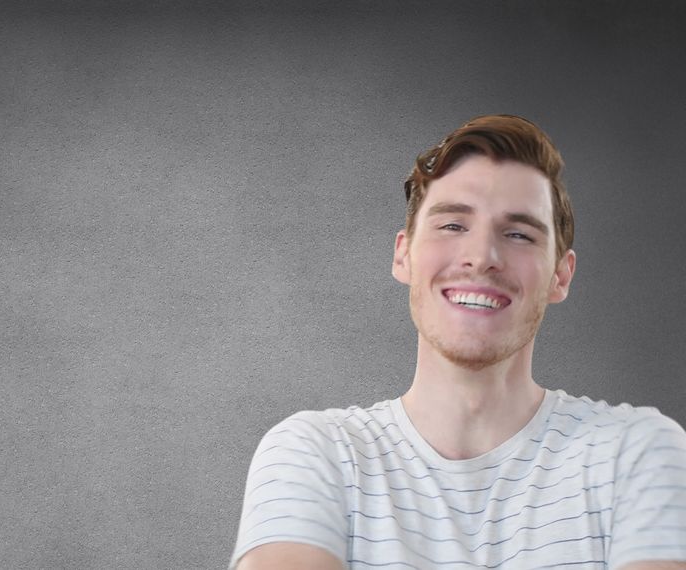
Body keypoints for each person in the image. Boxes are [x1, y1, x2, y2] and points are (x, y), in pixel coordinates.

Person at [230, 115, 686, 569]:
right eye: (452, 225)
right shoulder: (316, 452)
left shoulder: (639, 452)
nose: (481, 257)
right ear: (403, 254)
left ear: (560, 276)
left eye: (519, 234)